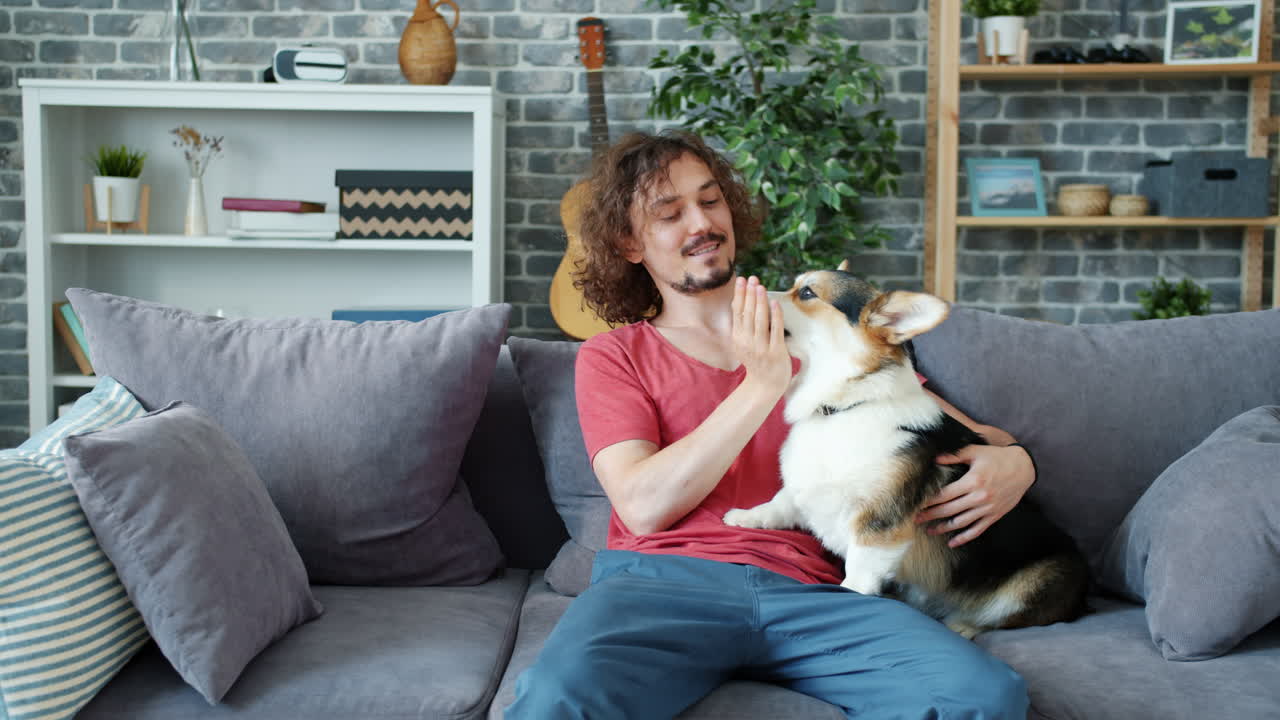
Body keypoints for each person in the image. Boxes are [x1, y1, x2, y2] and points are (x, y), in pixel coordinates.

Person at [505, 130, 1036, 719]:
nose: (700, 222)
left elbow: (957, 433)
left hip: (813, 592)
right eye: (669, 212)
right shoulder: (617, 355)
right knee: (553, 702)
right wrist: (764, 383)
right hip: (661, 584)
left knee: (984, 697)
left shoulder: (823, 336)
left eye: (710, 201)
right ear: (630, 243)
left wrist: (1016, 463)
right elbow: (642, 505)